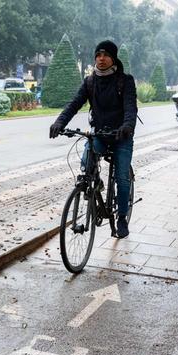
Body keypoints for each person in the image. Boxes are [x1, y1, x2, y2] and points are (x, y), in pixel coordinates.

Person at [49, 40, 138, 238]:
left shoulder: (125, 80)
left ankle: (122, 218)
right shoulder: (90, 82)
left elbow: (131, 108)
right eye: (98, 55)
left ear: (113, 58)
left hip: (121, 135)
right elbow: (74, 104)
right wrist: (59, 123)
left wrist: (127, 126)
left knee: (122, 177)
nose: (101, 59)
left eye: (106, 55)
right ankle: (94, 185)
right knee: (85, 162)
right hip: (100, 133)